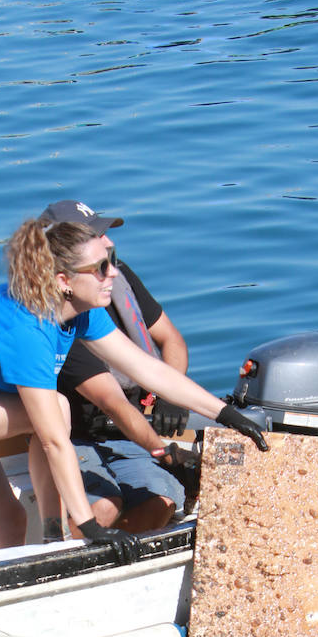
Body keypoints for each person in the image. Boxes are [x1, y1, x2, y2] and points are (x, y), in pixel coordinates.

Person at [0, 216, 266, 557]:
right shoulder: (27, 326)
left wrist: (227, 414)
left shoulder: (80, 315)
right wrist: (90, 524)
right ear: (64, 281)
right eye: (100, 268)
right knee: (55, 409)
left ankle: (26, 598)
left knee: (9, 524)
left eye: (111, 262)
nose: (113, 273)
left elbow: (150, 370)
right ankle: (59, 531)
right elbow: (55, 440)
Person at [40, 198, 194, 533]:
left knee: (162, 501)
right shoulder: (55, 316)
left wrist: (171, 393)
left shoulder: (117, 277)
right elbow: (111, 401)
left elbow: (172, 340)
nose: (109, 243)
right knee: (104, 507)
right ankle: (75, 564)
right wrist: (167, 456)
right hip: (76, 438)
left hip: (129, 435)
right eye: (96, 237)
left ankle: (118, 561)